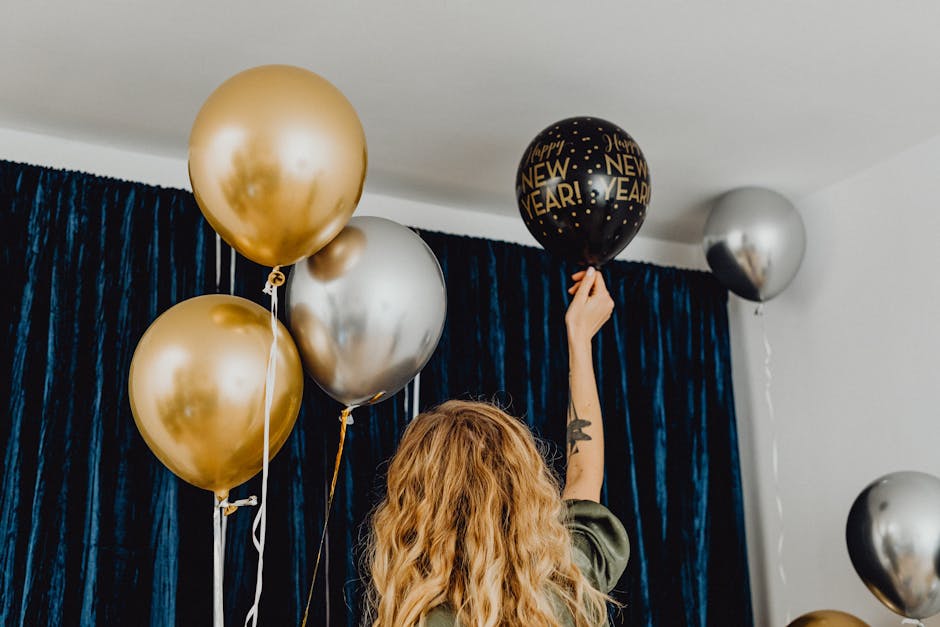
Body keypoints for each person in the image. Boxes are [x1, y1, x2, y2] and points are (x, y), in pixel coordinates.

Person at [363, 267, 629, 626]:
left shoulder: (416, 618)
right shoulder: (569, 582)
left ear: (414, 505)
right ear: (523, 488)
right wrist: (580, 339)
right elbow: (584, 475)